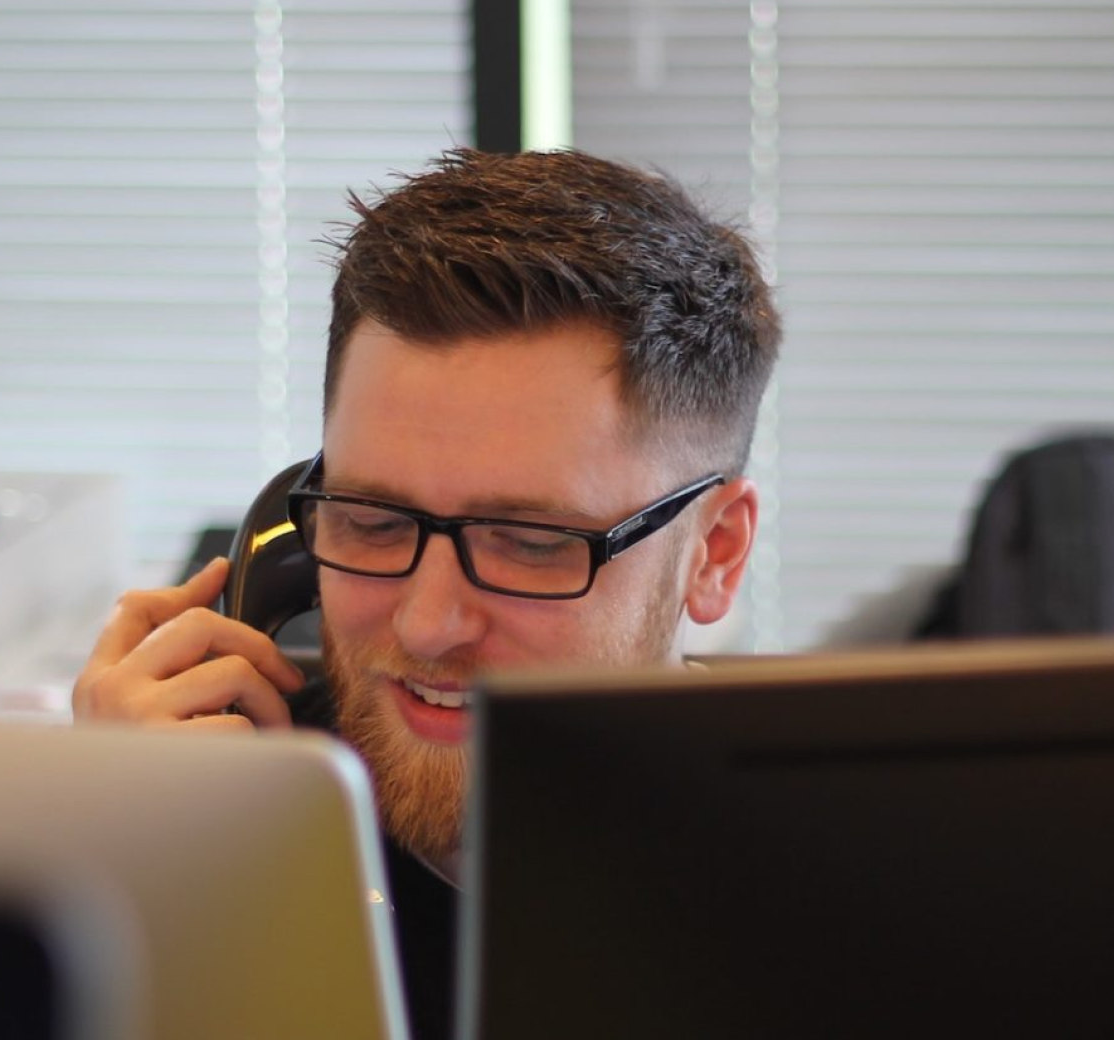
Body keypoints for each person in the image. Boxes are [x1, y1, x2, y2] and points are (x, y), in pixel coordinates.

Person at [73, 147, 781, 1040]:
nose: (427, 622)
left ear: (713, 551)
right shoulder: (206, 826)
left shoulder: (869, 895)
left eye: (529, 542)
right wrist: (117, 876)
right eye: (372, 521)